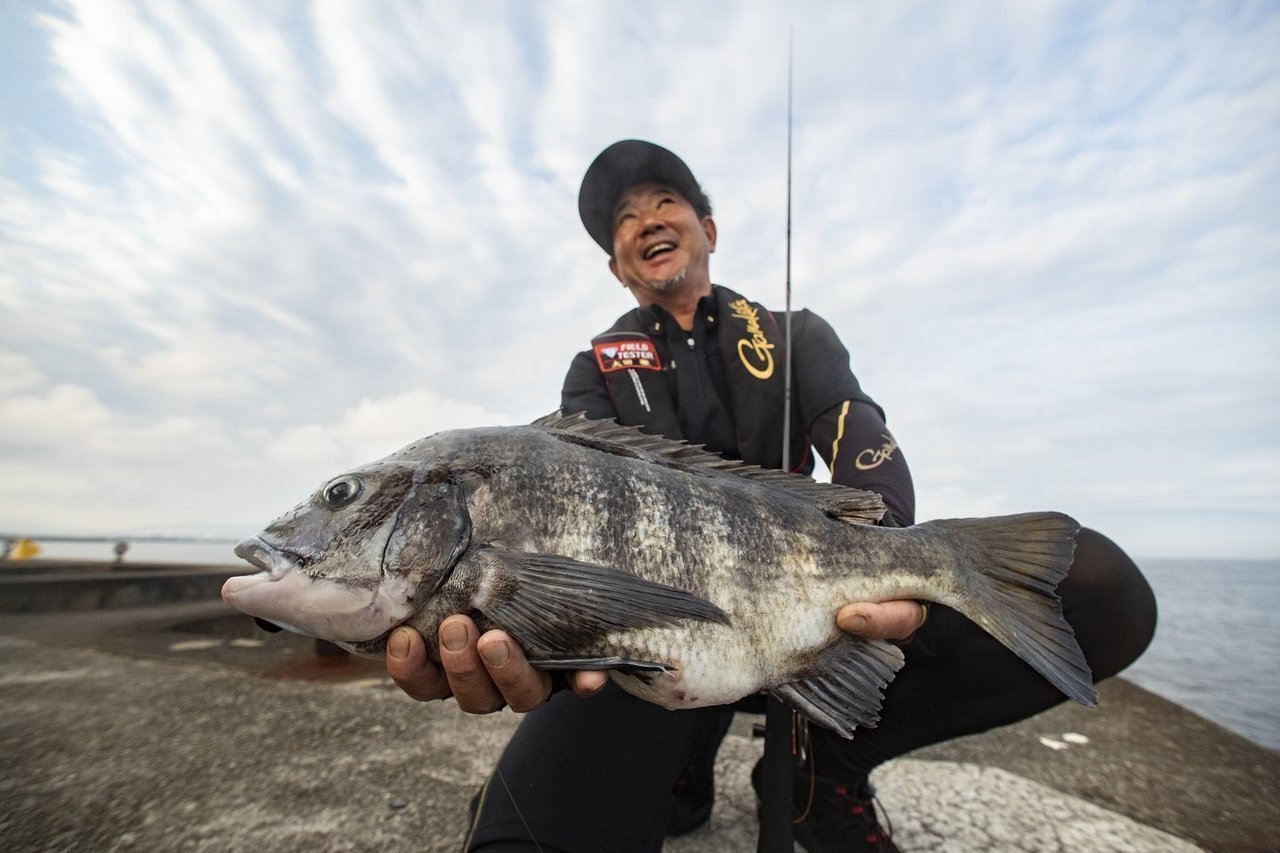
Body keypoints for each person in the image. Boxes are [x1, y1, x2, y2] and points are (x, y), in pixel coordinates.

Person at [385, 140, 1158, 853]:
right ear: (618, 268)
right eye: (622, 220)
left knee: (1102, 587)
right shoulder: (595, 374)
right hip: (648, 651)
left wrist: (885, 555)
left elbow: (862, 434)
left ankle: (832, 760)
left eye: (663, 201)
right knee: (521, 836)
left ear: (708, 230)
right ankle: (679, 762)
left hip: (817, 620)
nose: (645, 221)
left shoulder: (796, 337)